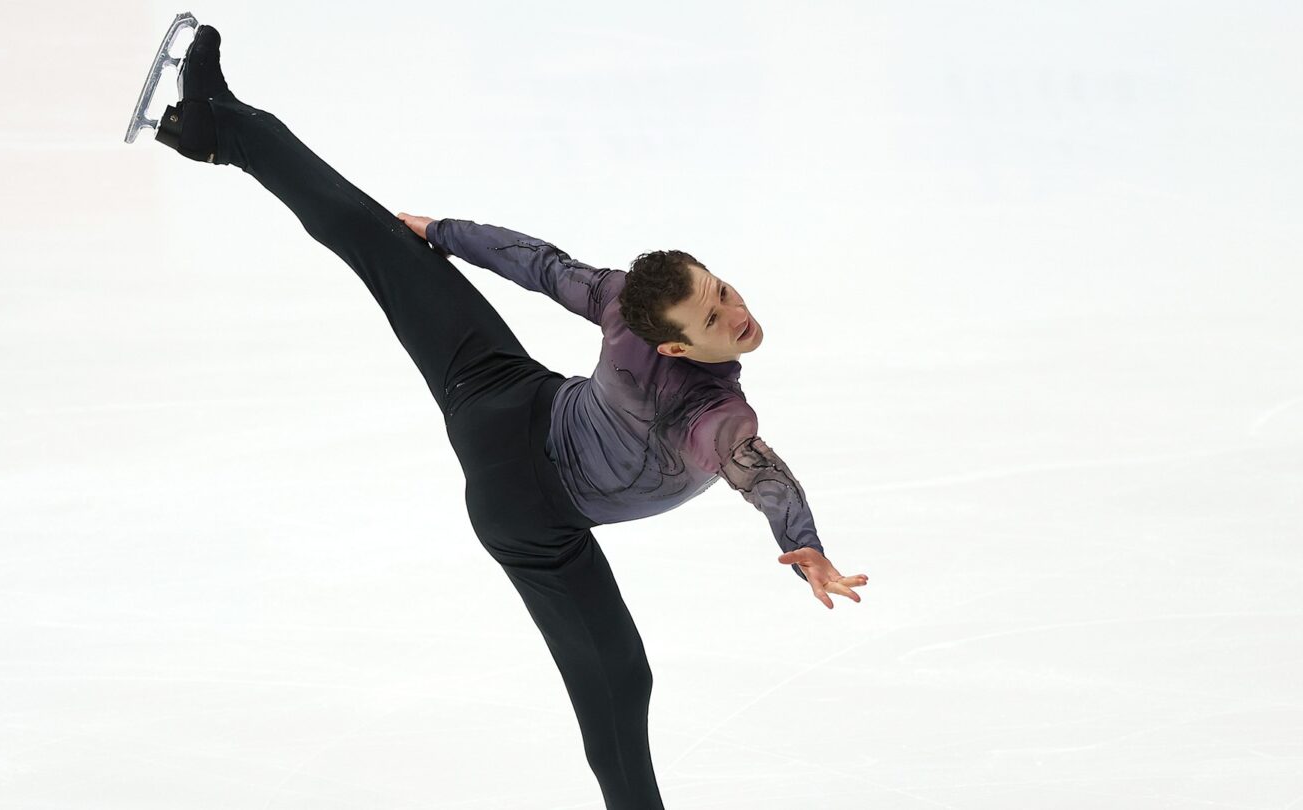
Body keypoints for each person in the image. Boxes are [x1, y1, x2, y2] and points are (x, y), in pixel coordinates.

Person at [147, 24, 867, 809]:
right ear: (674, 343)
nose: (738, 312)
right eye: (717, 312)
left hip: (509, 400)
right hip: (532, 506)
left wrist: (443, 236)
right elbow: (754, 470)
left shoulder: (628, 302)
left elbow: (541, 265)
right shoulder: (706, 408)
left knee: (385, 246)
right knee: (621, 680)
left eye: (726, 293)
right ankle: (218, 123)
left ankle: (223, 128)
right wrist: (800, 538)